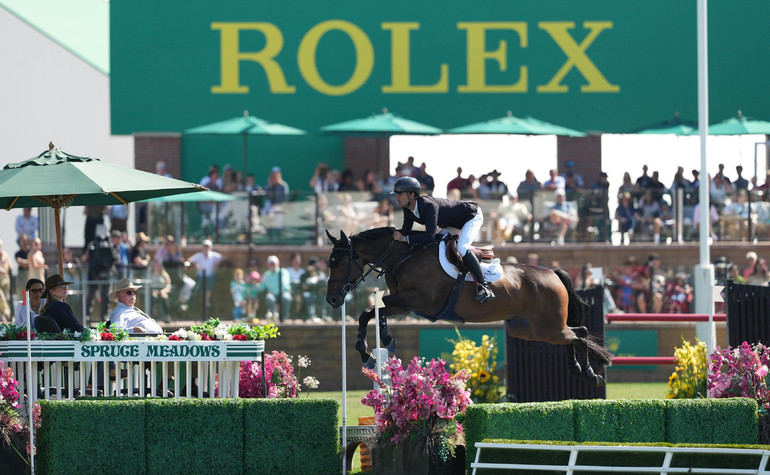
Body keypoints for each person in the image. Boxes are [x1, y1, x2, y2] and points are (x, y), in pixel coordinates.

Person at [390, 176, 495, 302]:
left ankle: (484, 286)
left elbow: (428, 236)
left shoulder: (428, 205)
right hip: (450, 224)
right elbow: (406, 231)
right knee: (438, 244)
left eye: (399, 194)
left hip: (470, 216)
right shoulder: (407, 209)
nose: (396, 198)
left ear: (411, 195)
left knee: (462, 247)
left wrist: (405, 238)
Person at [186, 239, 222, 307]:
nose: (206, 248)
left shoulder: (214, 255)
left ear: (210, 247)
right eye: (205, 246)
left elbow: (223, 258)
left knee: (210, 284)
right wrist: (195, 263)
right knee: (200, 286)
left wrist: (217, 264)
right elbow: (189, 260)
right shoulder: (199, 255)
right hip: (200, 275)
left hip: (210, 275)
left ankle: (206, 301)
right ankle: (199, 302)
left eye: (207, 246)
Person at [259, 255, 292, 321]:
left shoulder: (283, 272)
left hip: (283, 293)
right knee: (269, 298)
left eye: (273, 263)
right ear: (268, 265)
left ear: (278, 264)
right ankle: (273, 316)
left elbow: (285, 285)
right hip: (272, 294)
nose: (272, 265)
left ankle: (284, 317)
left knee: (286, 298)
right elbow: (261, 287)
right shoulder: (266, 275)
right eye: (270, 264)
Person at [0, 240, 11, 322]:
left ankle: (1, 316)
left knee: (5, 298)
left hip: (5, 278)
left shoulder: (5, 255)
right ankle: (8, 314)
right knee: (1, 297)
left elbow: (9, 266)